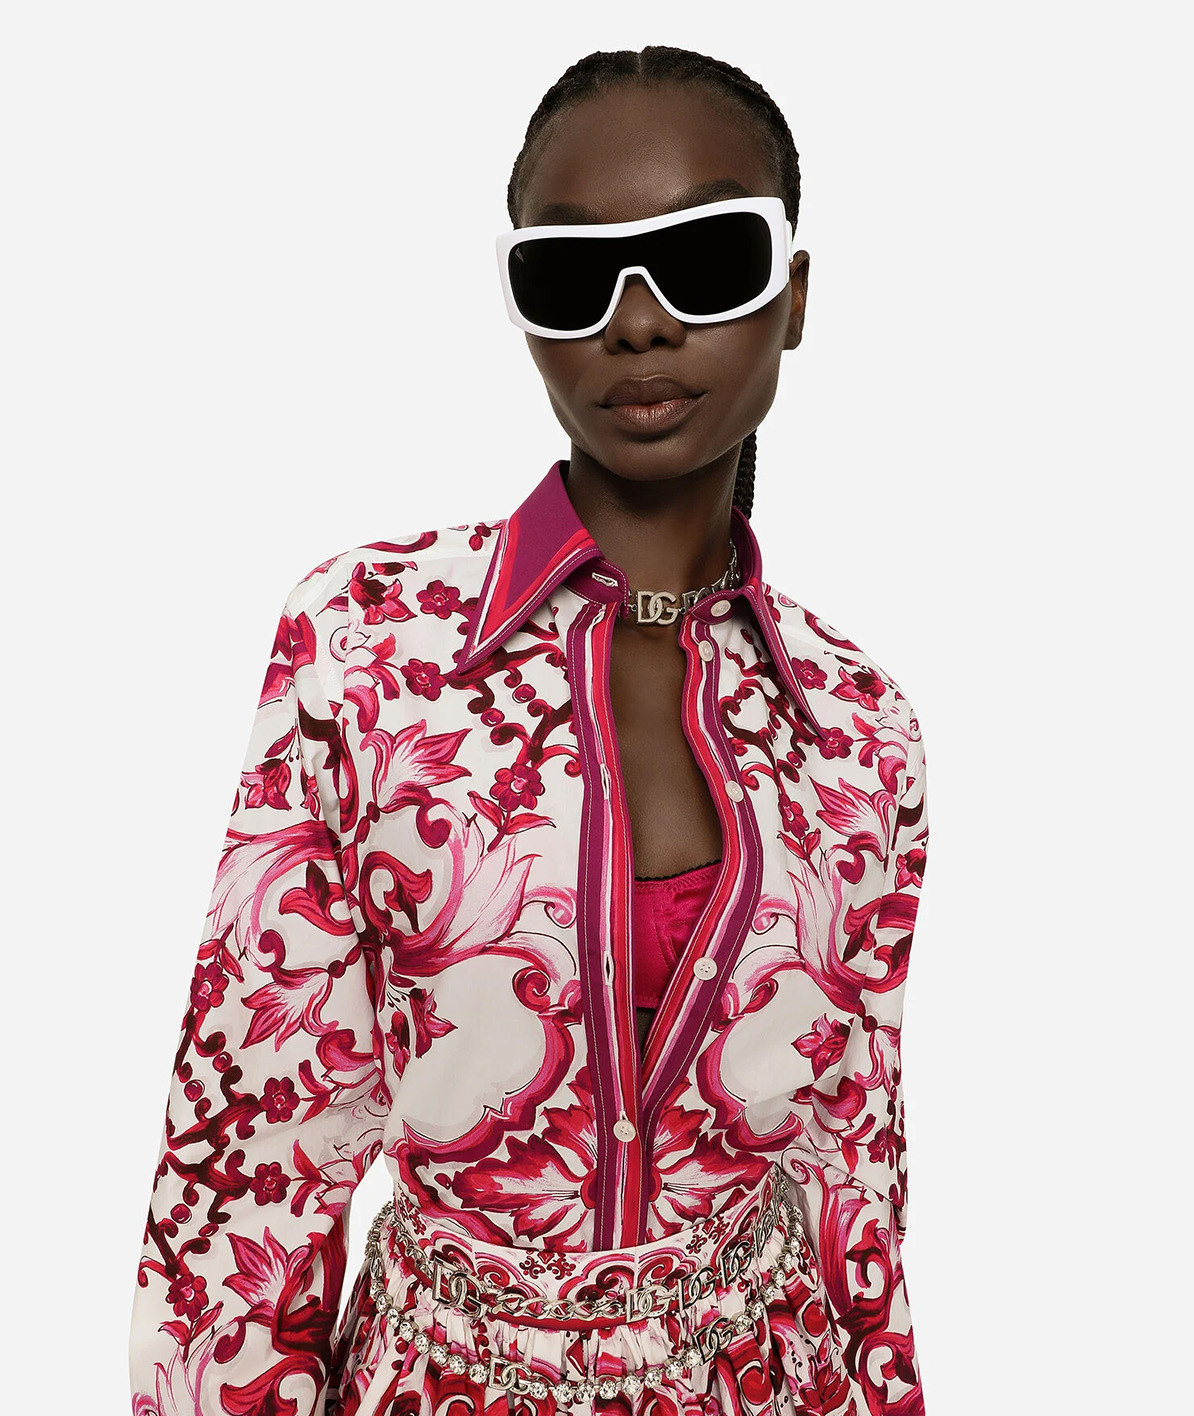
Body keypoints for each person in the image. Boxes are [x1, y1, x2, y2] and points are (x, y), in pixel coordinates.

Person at [129, 45, 930, 1416]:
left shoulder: (863, 730)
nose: (639, 323)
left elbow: (857, 1173)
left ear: (793, 297)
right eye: (573, 277)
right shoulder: (366, 646)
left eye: (705, 260)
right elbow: (249, 1156)